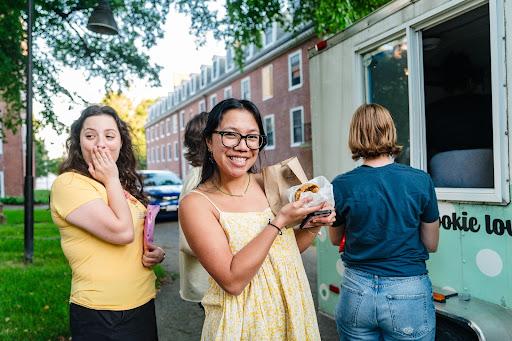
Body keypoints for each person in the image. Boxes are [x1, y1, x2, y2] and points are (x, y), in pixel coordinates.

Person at [179, 98, 335, 340]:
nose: (243, 146)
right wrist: (279, 221)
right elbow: (232, 281)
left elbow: (286, 253)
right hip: (242, 322)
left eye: (252, 137)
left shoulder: (270, 181)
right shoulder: (196, 204)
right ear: (209, 141)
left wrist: (314, 225)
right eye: (231, 135)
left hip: (292, 309)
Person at [50, 105, 165, 340]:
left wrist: (155, 253)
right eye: (90, 135)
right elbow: (122, 232)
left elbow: (133, 236)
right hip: (101, 313)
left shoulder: (117, 185)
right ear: (78, 143)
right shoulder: (70, 184)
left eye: (110, 136)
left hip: (142, 303)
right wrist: (111, 178)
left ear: (121, 143)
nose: (100, 143)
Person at [330, 103, 440, 341]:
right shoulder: (420, 181)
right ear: (390, 131)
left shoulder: (340, 185)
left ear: (355, 136)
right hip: (407, 290)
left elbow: (334, 239)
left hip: (356, 290)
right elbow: (431, 243)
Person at [178, 111, 210, 303]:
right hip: (207, 282)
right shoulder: (200, 179)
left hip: (207, 280)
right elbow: (189, 241)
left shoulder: (198, 175)